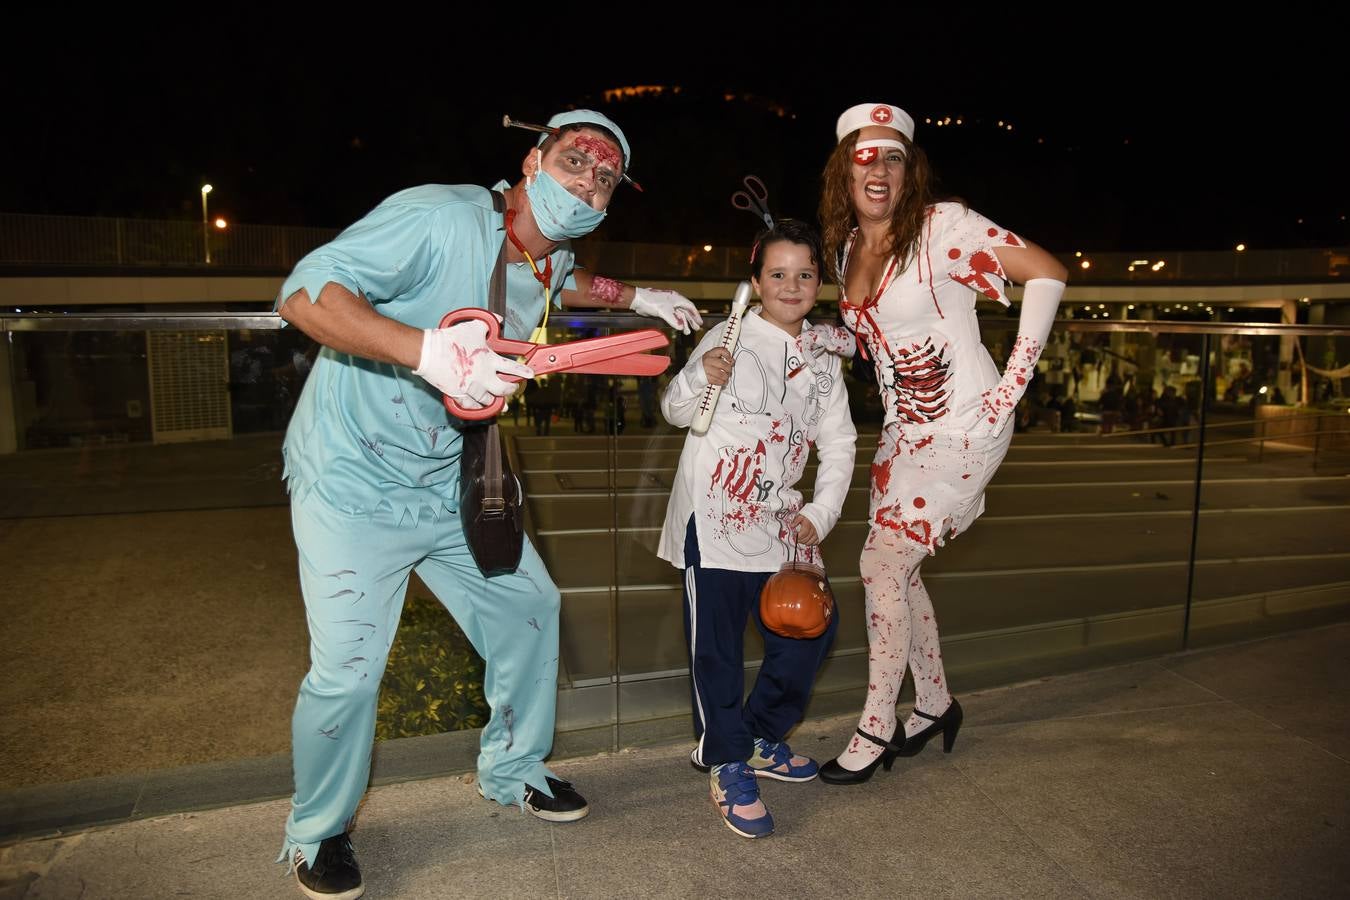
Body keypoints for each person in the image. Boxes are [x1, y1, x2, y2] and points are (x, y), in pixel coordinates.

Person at [272, 109, 703, 898]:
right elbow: (303, 293)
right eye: (577, 160)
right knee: (348, 675)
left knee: (533, 607)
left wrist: (640, 294)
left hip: (450, 482)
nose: (590, 180)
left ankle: (513, 769)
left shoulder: (550, 252)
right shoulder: (441, 216)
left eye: (607, 176)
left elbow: (562, 279)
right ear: (532, 162)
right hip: (352, 485)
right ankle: (318, 829)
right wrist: (427, 352)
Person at [809, 103, 1067, 784]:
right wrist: (826, 338)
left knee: (880, 564)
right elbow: (878, 344)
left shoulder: (940, 228)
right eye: (866, 154)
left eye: (894, 156)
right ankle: (935, 703)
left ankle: (878, 722)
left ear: (908, 171)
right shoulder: (844, 250)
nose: (880, 167)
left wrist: (1009, 392)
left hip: (964, 427)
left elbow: (1046, 271)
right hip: (903, 433)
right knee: (899, 570)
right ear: (844, 169)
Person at [657, 219, 857, 837]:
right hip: (713, 520)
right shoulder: (730, 334)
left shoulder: (823, 360)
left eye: (803, 274)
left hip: (782, 528)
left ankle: (761, 737)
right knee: (715, 654)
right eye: (777, 274)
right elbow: (676, 411)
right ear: (756, 281)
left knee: (810, 637)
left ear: (817, 283)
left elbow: (842, 444)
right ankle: (724, 759)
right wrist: (700, 375)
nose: (791, 285)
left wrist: (818, 514)